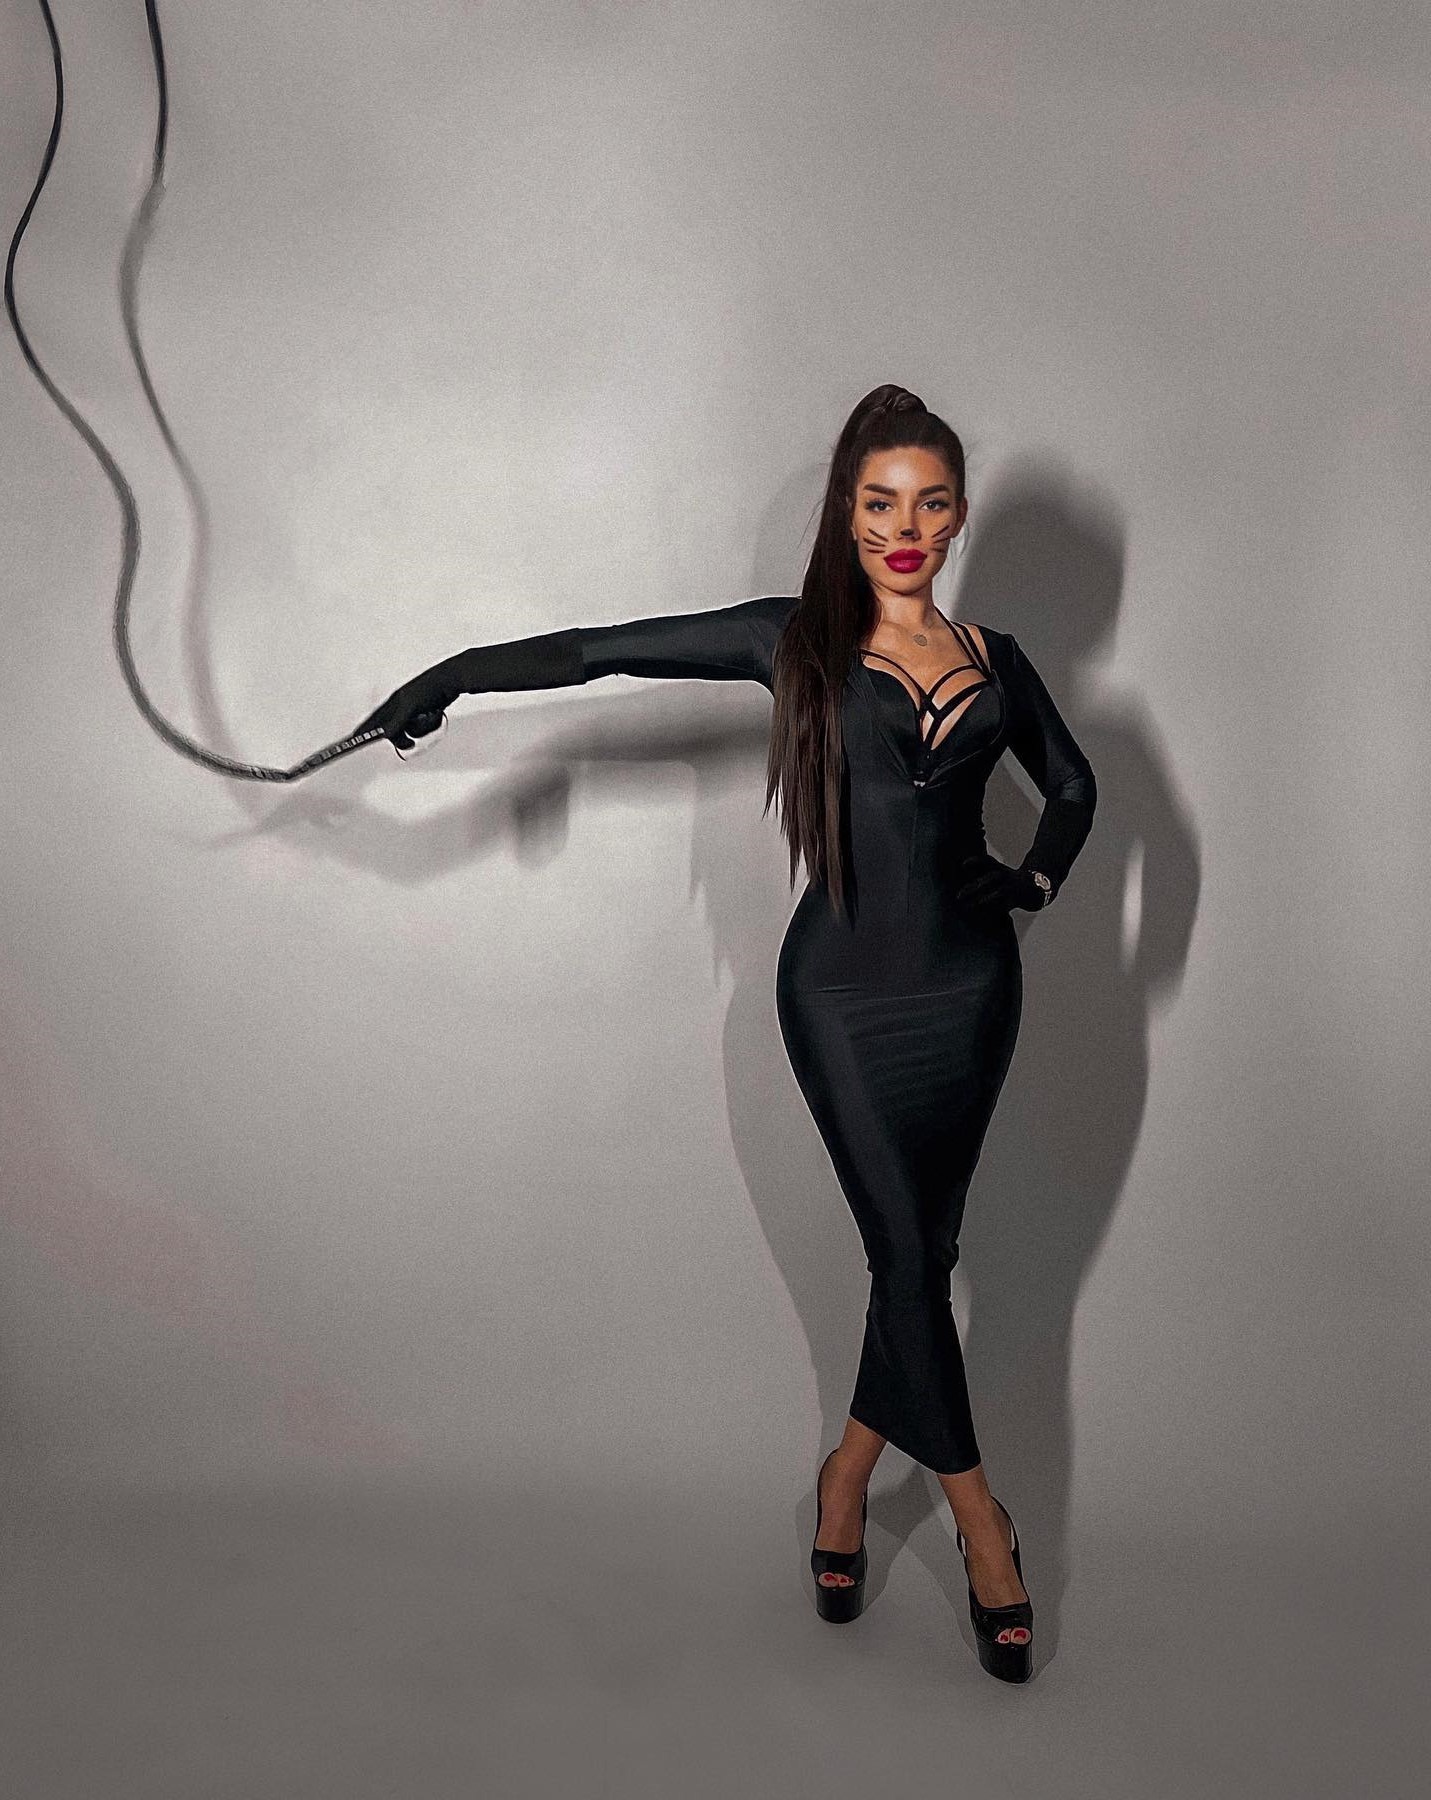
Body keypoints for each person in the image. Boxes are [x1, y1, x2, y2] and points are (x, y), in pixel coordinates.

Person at [357, 384, 1097, 1683]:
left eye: (929, 504)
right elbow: (602, 652)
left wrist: (1031, 878)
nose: (904, 530)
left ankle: (846, 1477)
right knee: (907, 1252)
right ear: (848, 513)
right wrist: (456, 676)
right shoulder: (792, 641)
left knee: (920, 1254)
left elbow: (1074, 786)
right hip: (840, 997)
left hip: (972, 993)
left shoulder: (999, 659)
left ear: (958, 516)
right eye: (880, 503)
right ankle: (985, 1523)